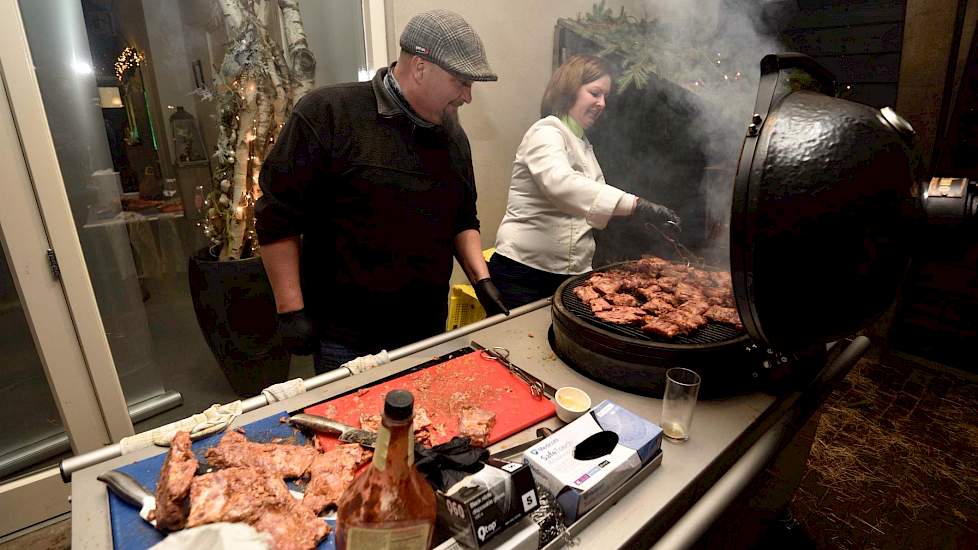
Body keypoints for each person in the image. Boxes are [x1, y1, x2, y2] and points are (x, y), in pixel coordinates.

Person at [256, 9, 508, 373]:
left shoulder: (453, 137)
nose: (467, 96)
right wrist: (291, 310)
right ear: (420, 67)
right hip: (346, 337)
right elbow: (276, 217)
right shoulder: (329, 113)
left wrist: (482, 281)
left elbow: (462, 219)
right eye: (460, 82)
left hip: (426, 328)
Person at [489, 55, 680, 309]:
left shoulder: (583, 144)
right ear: (569, 90)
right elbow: (562, 185)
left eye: (605, 97)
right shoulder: (546, 132)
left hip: (569, 274)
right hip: (524, 273)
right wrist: (636, 204)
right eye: (595, 93)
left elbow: (590, 204)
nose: (601, 103)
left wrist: (641, 221)